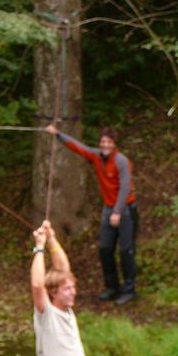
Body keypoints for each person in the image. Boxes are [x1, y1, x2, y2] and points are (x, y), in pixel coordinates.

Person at [45, 124, 138, 305]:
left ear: (114, 144)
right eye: (103, 142)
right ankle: (112, 287)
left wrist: (117, 212)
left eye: (109, 142)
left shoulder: (121, 161)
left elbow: (125, 187)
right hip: (108, 209)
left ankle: (129, 290)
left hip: (125, 210)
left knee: (126, 250)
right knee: (105, 249)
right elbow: (79, 147)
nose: (105, 145)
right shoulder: (96, 156)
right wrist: (58, 134)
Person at [31, 220, 96, 356]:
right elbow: (38, 285)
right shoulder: (46, 313)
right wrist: (38, 247)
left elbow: (63, 268)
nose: (73, 292)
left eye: (73, 287)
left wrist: (51, 239)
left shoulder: (66, 309)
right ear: (53, 293)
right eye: (67, 289)